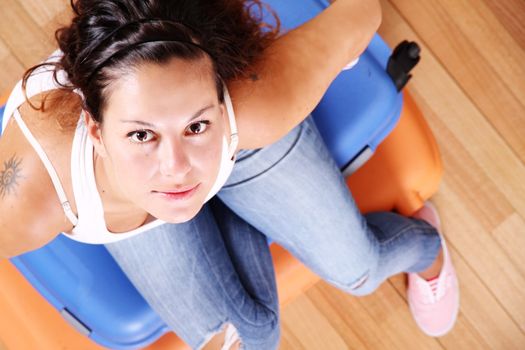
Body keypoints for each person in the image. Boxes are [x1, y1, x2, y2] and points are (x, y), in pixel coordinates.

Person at [0, 0, 459, 349]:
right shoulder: (30, 197)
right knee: (252, 341)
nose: (177, 170)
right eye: (142, 136)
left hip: (240, 144)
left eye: (196, 126)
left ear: (222, 104)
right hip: (138, 149)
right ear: (96, 132)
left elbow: (362, 13)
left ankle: (427, 249)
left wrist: (326, 60)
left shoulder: (259, 104)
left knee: (359, 272)